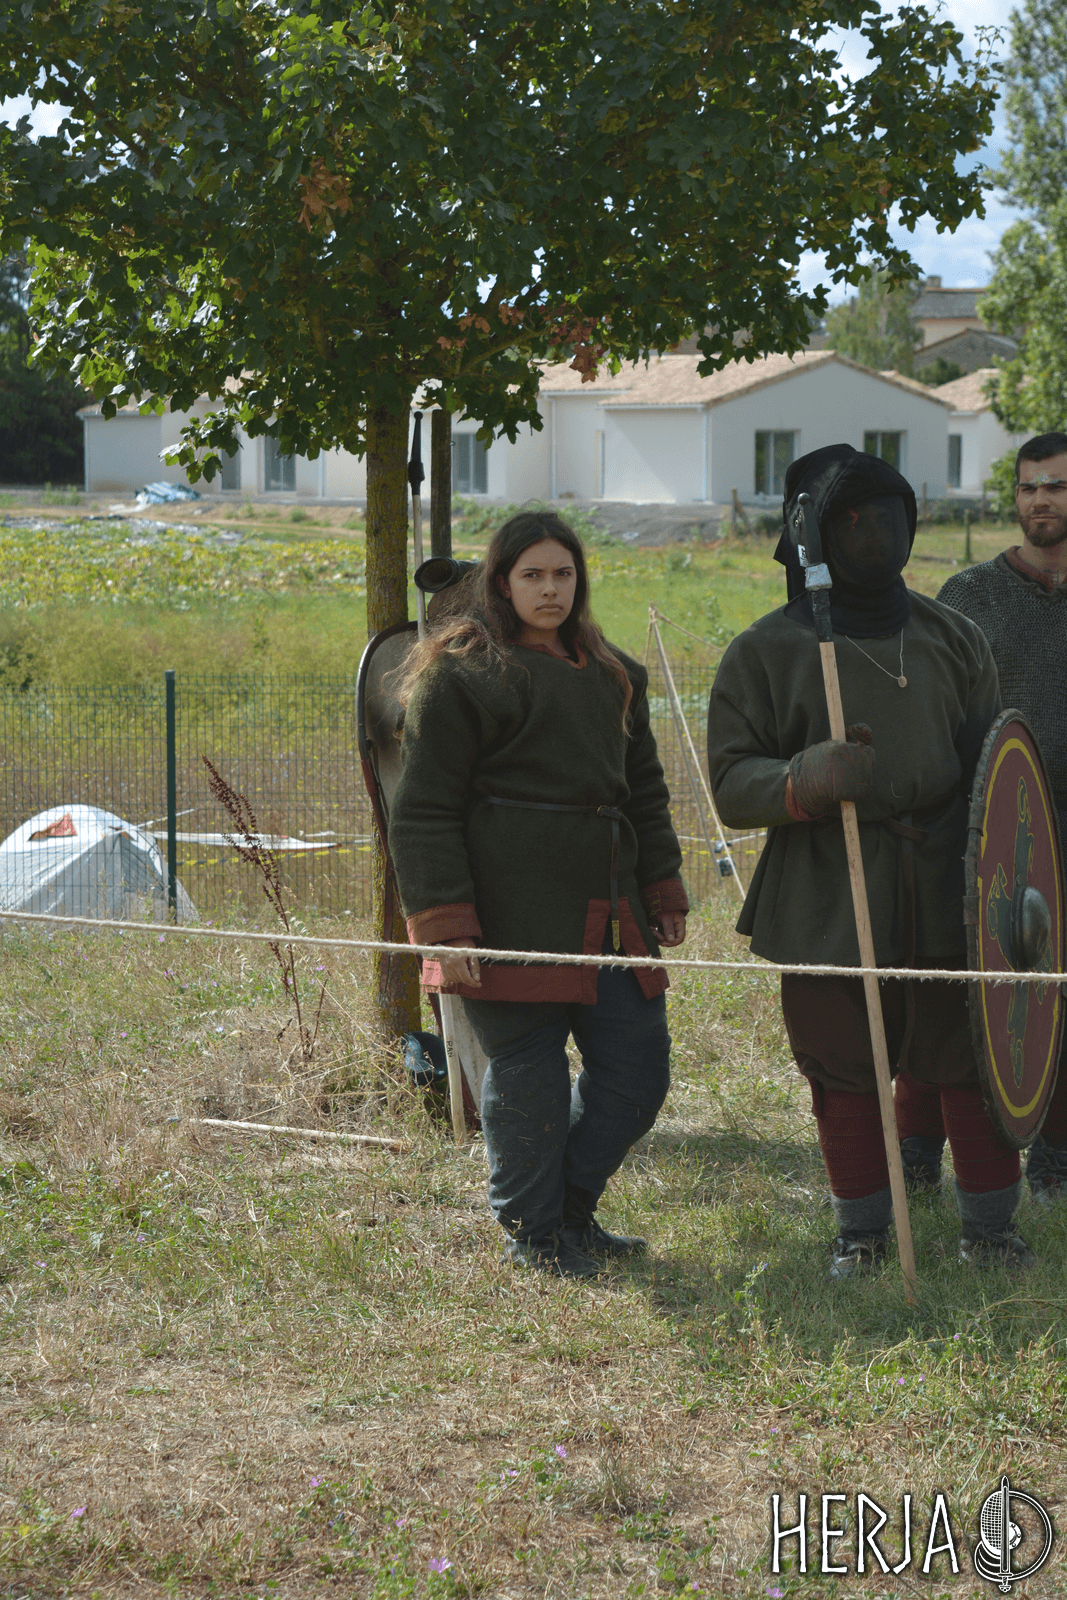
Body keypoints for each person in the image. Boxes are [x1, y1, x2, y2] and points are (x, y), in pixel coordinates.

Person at [706, 443, 1032, 1278]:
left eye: (887, 516)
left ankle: (990, 1232)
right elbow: (730, 783)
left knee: (968, 1057)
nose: (872, 533)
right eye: (851, 521)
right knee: (843, 1063)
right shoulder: (766, 651)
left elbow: (994, 772)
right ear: (816, 534)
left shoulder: (950, 637)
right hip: (827, 886)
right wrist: (801, 778)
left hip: (947, 883)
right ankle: (862, 1234)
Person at [388, 511, 688, 1278]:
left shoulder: (616, 674)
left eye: (562, 574)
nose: (549, 589)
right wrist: (447, 926)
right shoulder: (461, 674)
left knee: (636, 1075)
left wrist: (662, 886)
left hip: (607, 912)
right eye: (532, 575)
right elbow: (422, 808)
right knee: (529, 1080)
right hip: (504, 912)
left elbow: (644, 792)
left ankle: (569, 1213)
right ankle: (534, 1237)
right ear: (501, 583)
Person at [895, 431, 1067, 1203]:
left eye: (1055, 485)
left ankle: (1054, 1157)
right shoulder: (967, 596)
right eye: (1029, 486)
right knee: (952, 995)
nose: (1040, 499)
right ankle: (915, 1153)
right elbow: (925, 710)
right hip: (980, 829)